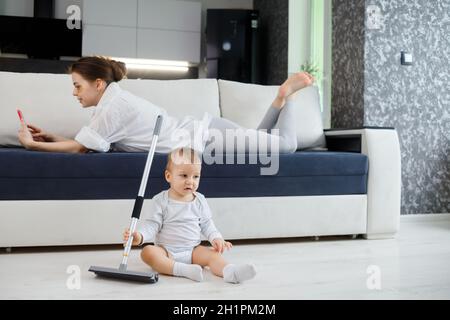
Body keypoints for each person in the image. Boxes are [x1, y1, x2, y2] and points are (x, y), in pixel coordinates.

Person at [18, 56, 314, 154]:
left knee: (285, 146)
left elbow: (82, 148)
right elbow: (89, 142)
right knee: (265, 140)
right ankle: (279, 100)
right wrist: (53, 138)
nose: (74, 93)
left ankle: (290, 96)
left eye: (77, 86)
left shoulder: (113, 107)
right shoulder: (110, 104)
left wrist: (34, 146)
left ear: (98, 84)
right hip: (207, 133)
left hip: (206, 139)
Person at [123, 147, 257, 283]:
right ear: (168, 176)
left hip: (193, 251)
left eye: (196, 176)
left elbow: (207, 224)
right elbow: (152, 225)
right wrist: (140, 236)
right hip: (166, 251)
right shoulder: (160, 200)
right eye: (184, 175)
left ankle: (230, 272)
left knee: (213, 255)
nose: (190, 181)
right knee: (148, 252)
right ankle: (183, 270)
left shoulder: (199, 200)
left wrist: (216, 238)